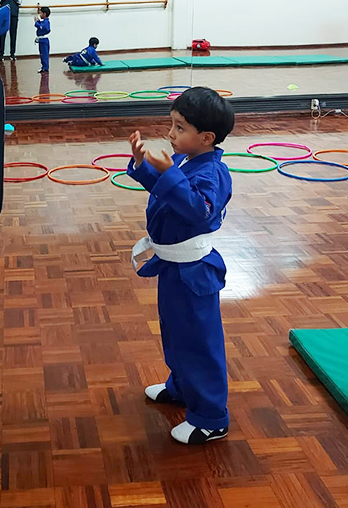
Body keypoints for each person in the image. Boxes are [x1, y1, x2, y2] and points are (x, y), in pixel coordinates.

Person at [127, 86, 234, 445]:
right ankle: (182, 387)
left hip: (194, 273)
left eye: (179, 128)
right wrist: (144, 167)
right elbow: (166, 192)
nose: (170, 134)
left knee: (198, 342)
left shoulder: (214, 173)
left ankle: (210, 417)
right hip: (172, 267)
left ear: (206, 138)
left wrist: (169, 173)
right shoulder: (189, 162)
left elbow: (196, 208)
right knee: (174, 334)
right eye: (171, 125)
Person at [34, 6, 51, 73]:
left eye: (41, 13)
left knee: (44, 54)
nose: (40, 15)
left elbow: (42, 27)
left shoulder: (46, 22)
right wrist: (38, 21)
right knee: (42, 54)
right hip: (41, 40)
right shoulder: (44, 22)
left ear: (44, 14)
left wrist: (36, 23)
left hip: (44, 40)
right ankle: (43, 67)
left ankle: (45, 68)